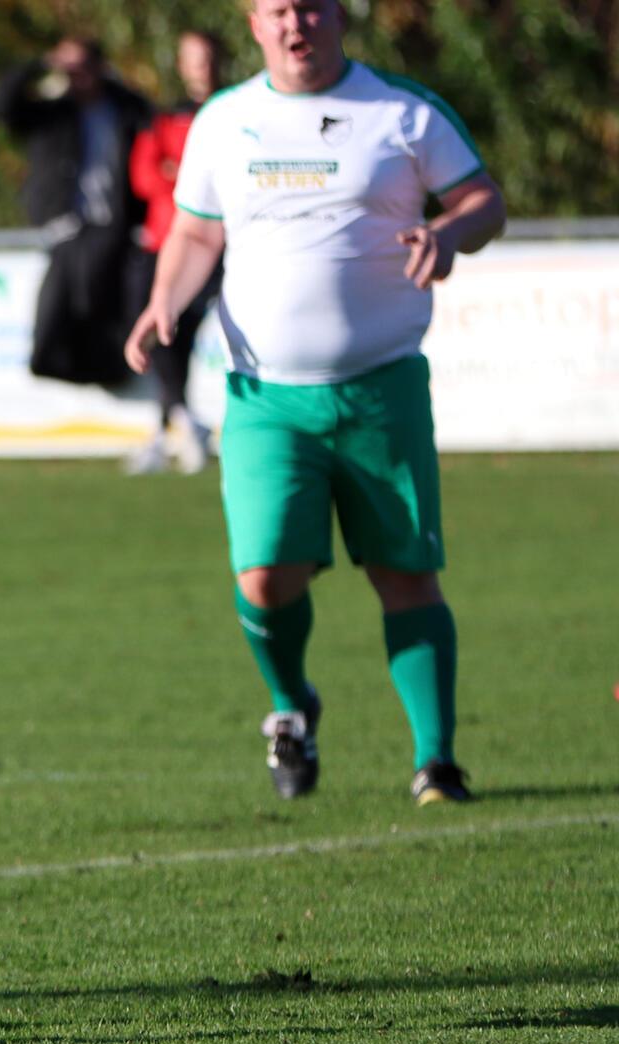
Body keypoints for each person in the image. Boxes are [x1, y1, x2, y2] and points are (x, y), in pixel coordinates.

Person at [124, 0, 506, 804]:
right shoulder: (225, 122)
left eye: (310, 7)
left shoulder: (401, 112)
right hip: (267, 398)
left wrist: (448, 235)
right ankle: (293, 704)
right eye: (276, 11)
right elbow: (195, 234)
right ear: (253, 25)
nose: (296, 23)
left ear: (340, 16)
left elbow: (483, 201)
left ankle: (436, 762)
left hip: (382, 389)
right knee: (265, 576)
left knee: (406, 574)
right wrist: (166, 301)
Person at [0, 37, 152, 385]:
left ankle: (112, 372)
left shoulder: (125, 109)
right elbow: (3, 107)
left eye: (83, 66)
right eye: (70, 68)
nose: (77, 75)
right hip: (65, 229)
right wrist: (38, 64)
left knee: (99, 308)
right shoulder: (53, 111)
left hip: (113, 228)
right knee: (55, 319)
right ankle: (70, 368)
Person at [124, 31, 225, 475]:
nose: (200, 67)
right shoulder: (164, 119)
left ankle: (177, 423)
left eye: (206, 58)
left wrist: (180, 172)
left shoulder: (235, 112)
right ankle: (176, 422)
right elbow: (146, 177)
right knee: (165, 335)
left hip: (223, 243)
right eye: (192, 60)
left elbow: (225, 180)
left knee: (189, 334)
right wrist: (189, 181)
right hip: (166, 242)